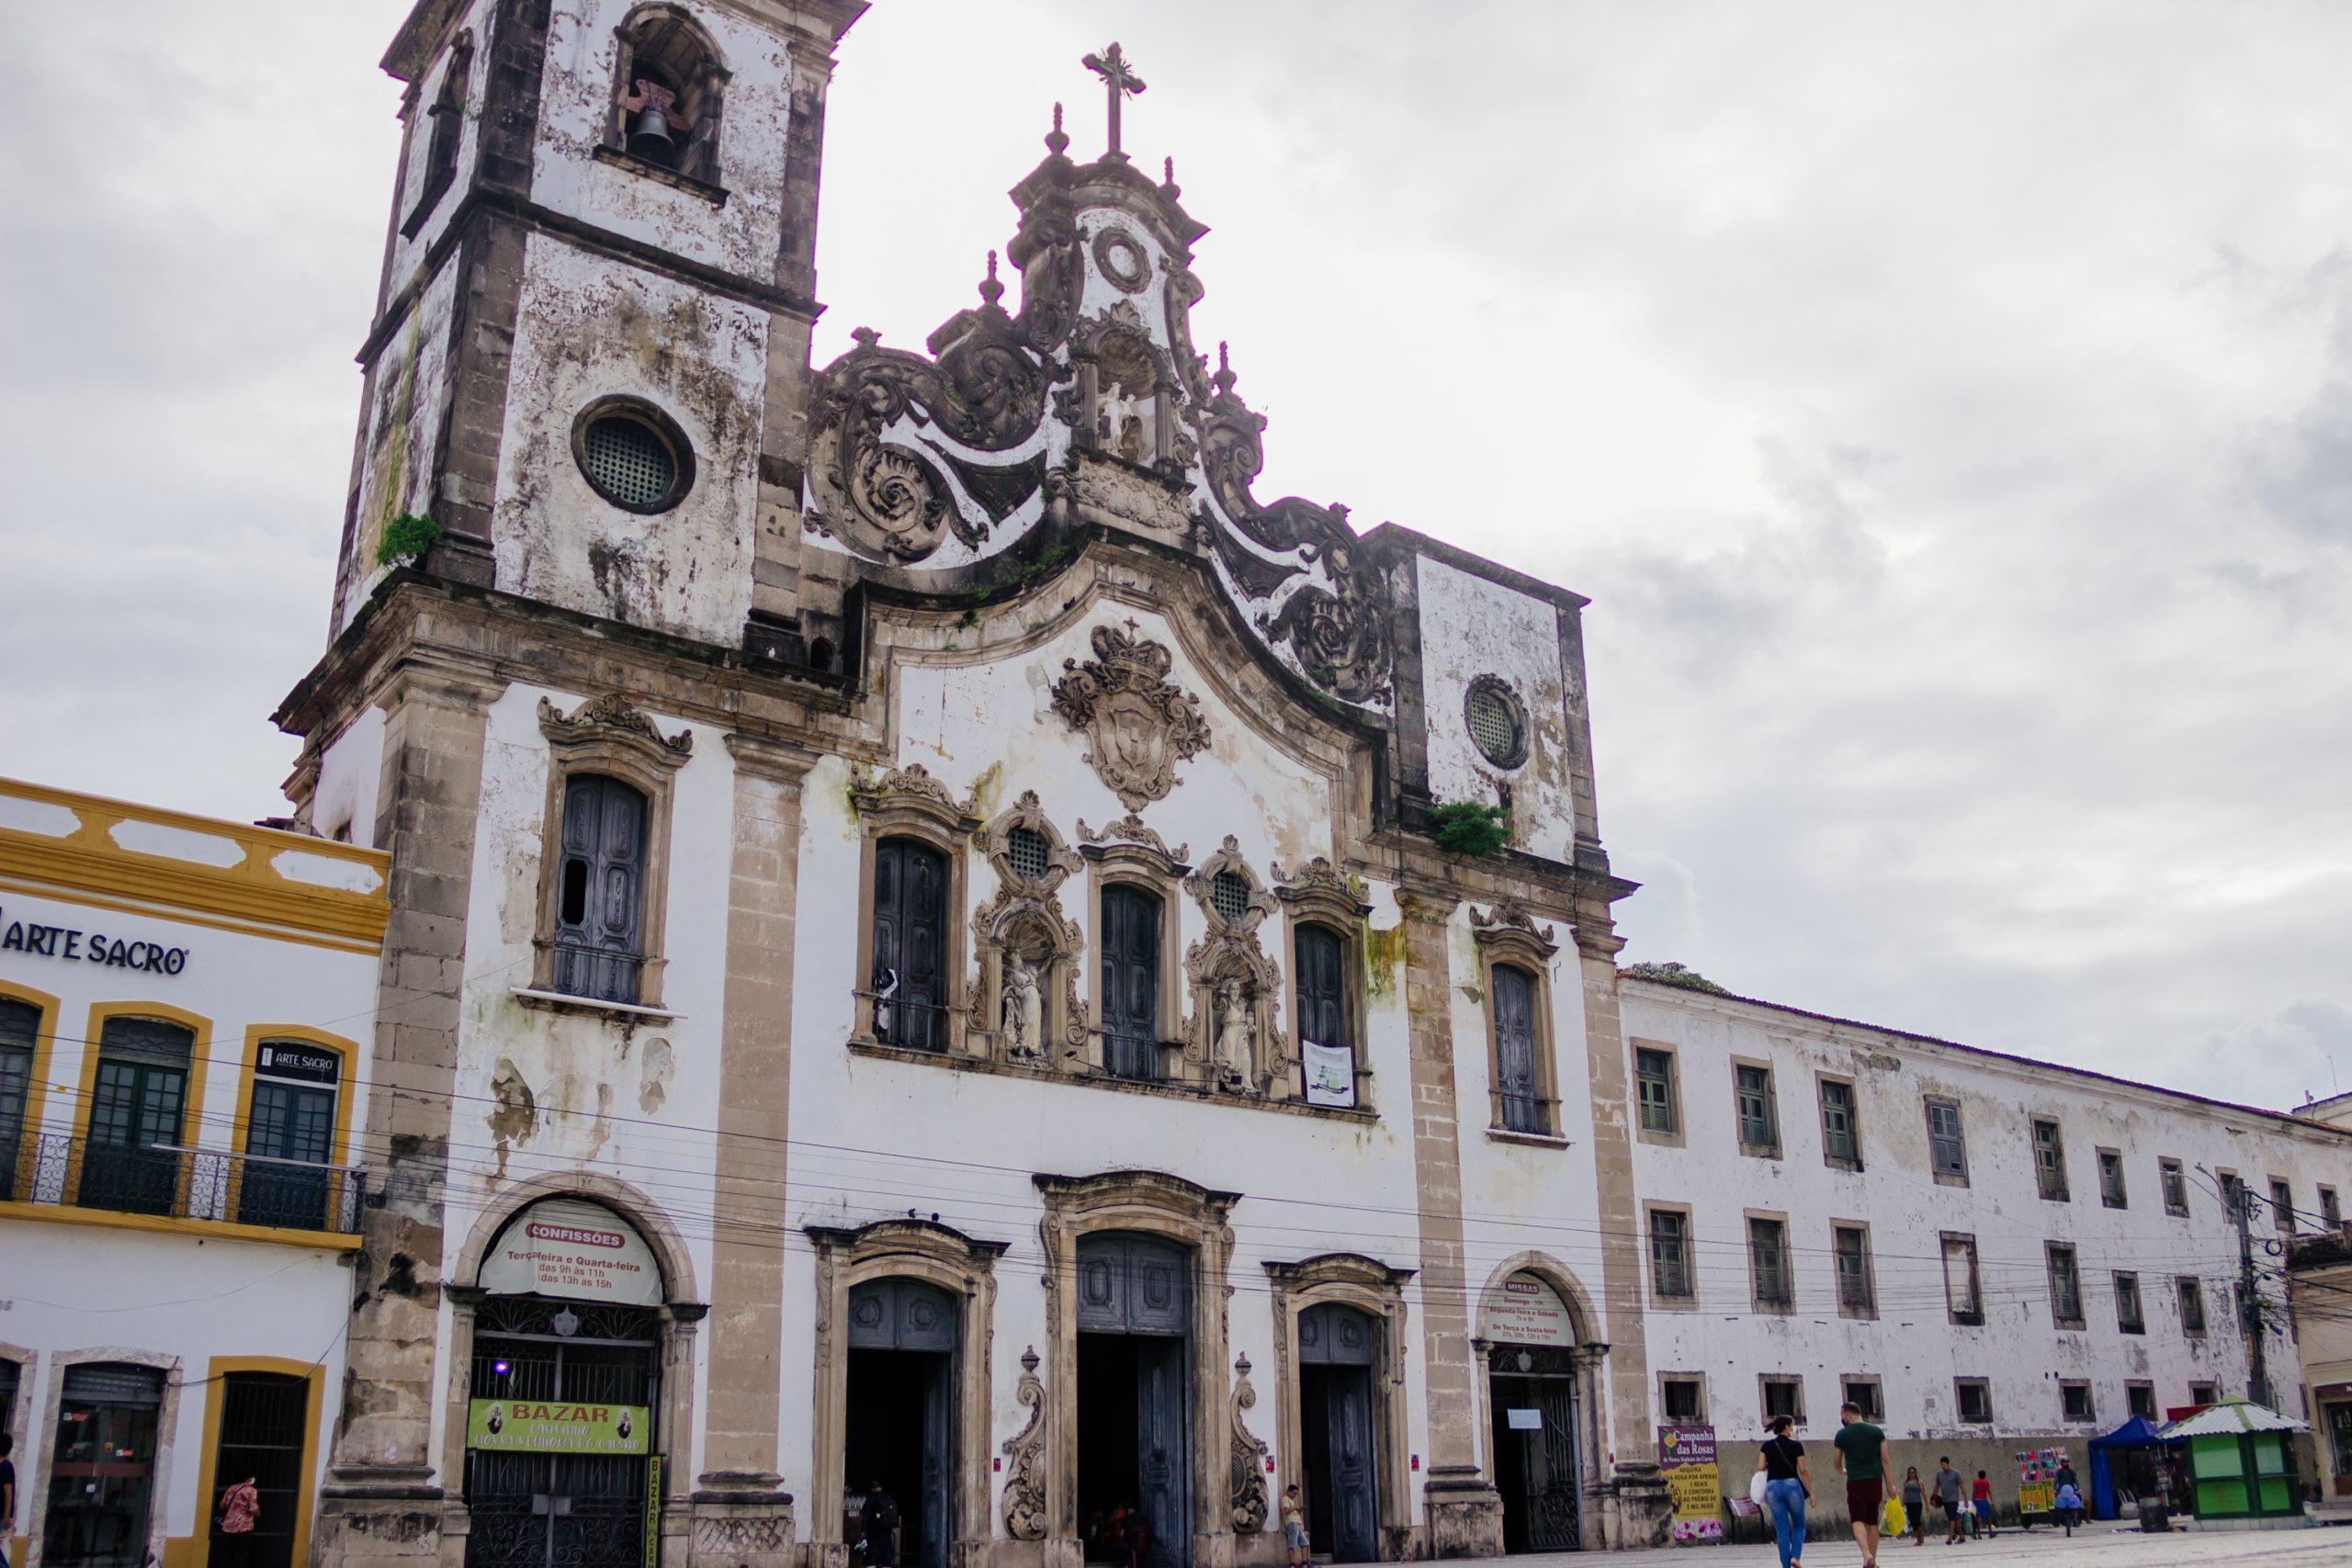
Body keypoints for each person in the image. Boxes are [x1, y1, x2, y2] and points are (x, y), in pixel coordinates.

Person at [1832, 1400, 1889, 1568]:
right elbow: (1885, 1460)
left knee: (1857, 1520)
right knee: (1872, 1522)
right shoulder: (1877, 1432)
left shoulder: (1842, 1435)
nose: (1842, 1419)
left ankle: (1866, 1555)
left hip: (1856, 1482)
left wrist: (1841, 1470)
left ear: (1849, 1415)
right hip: (1875, 1481)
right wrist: (1890, 1485)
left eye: (1843, 1416)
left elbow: (1836, 1461)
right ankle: (1873, 1560)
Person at [1756, 1414, 1812, 1568]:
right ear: (1787, 1427)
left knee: (1782, 1530)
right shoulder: (1796, 1446)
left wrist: (1772, 1465)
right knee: (1799, 1526)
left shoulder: (1766, 1446)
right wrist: (1811, 1492)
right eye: (1792, 1425)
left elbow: (1760, 1467)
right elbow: (1803, 1470)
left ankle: (1786, 1566)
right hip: (1792, 1486)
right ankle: (1795, 1557)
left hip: (1773, 1487)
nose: (1793, 1428)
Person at [859, 1480, 899, 1568]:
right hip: (887, 1530)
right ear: (881, 1488)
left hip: (873, 1530)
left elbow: (865, 1515)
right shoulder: (888, 1497)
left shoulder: (871, 1498)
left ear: (872, 1489)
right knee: (887, 1553)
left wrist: (863, 1530)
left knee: (872, 1554)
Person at [1935, 1458, 1965, 1544]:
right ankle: (1962, 1537)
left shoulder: (1956, 1473)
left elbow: (1962, 1487)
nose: (1943, 1467)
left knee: (1952, 1518)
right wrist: (1934, 1497)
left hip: (1954, 1499)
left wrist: (1966, 1499)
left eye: (1944, 1465)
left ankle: (1950, 1537)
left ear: (1948, 1464)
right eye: (1941, 1465)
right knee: (1954, 1518)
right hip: (1945, 1500)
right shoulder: (1939, 1474)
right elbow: (1936, 1486)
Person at [1281, 1483, 1308, 1568]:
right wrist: (1295, 1507)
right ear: (1289, 1491)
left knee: (1305, 1544)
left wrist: (1300, 1509)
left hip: (1297, 1524)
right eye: (1294, 1493)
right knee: (1292, 1544)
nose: (1295, 1495)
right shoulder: (1285, 1499)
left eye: (1296, 1494)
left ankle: (1304, 1563)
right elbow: (1286, 1511)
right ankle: (1292, 1564)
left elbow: (1296, 1512)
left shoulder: (1292, 1501)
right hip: (1292, 1523)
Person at [1901, 1466, 1927, 1547]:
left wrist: (1927, 1504)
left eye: (1913, 1472)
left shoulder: (1919, 1482)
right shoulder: (1906, 1483)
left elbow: (1923, 1493)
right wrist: (1902, 1504)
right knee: (1912, 1522)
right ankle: (1918, 1538)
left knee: (1917, 1521)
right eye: (1909, 1473)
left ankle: (1920, 1538)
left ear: (1915, 1473)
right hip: (1909, 1504)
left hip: (1917, 1503)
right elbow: (1905, 1494)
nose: (1911, 1474)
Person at [1971, 1472, 1993, 1538]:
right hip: (1984, 1500)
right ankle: (1990, 1533)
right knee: (1988, 1516)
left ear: (1978, 1475)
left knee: (1978, 1516)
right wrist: (1992, 1500)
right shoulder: (1986, 1482)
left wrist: (1972, 1499)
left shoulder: (1975, 1482)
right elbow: (1989, 1491)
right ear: (1985, 1475)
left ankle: (1979, 1534)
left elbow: (1974, 1492)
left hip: (1977, 1500)